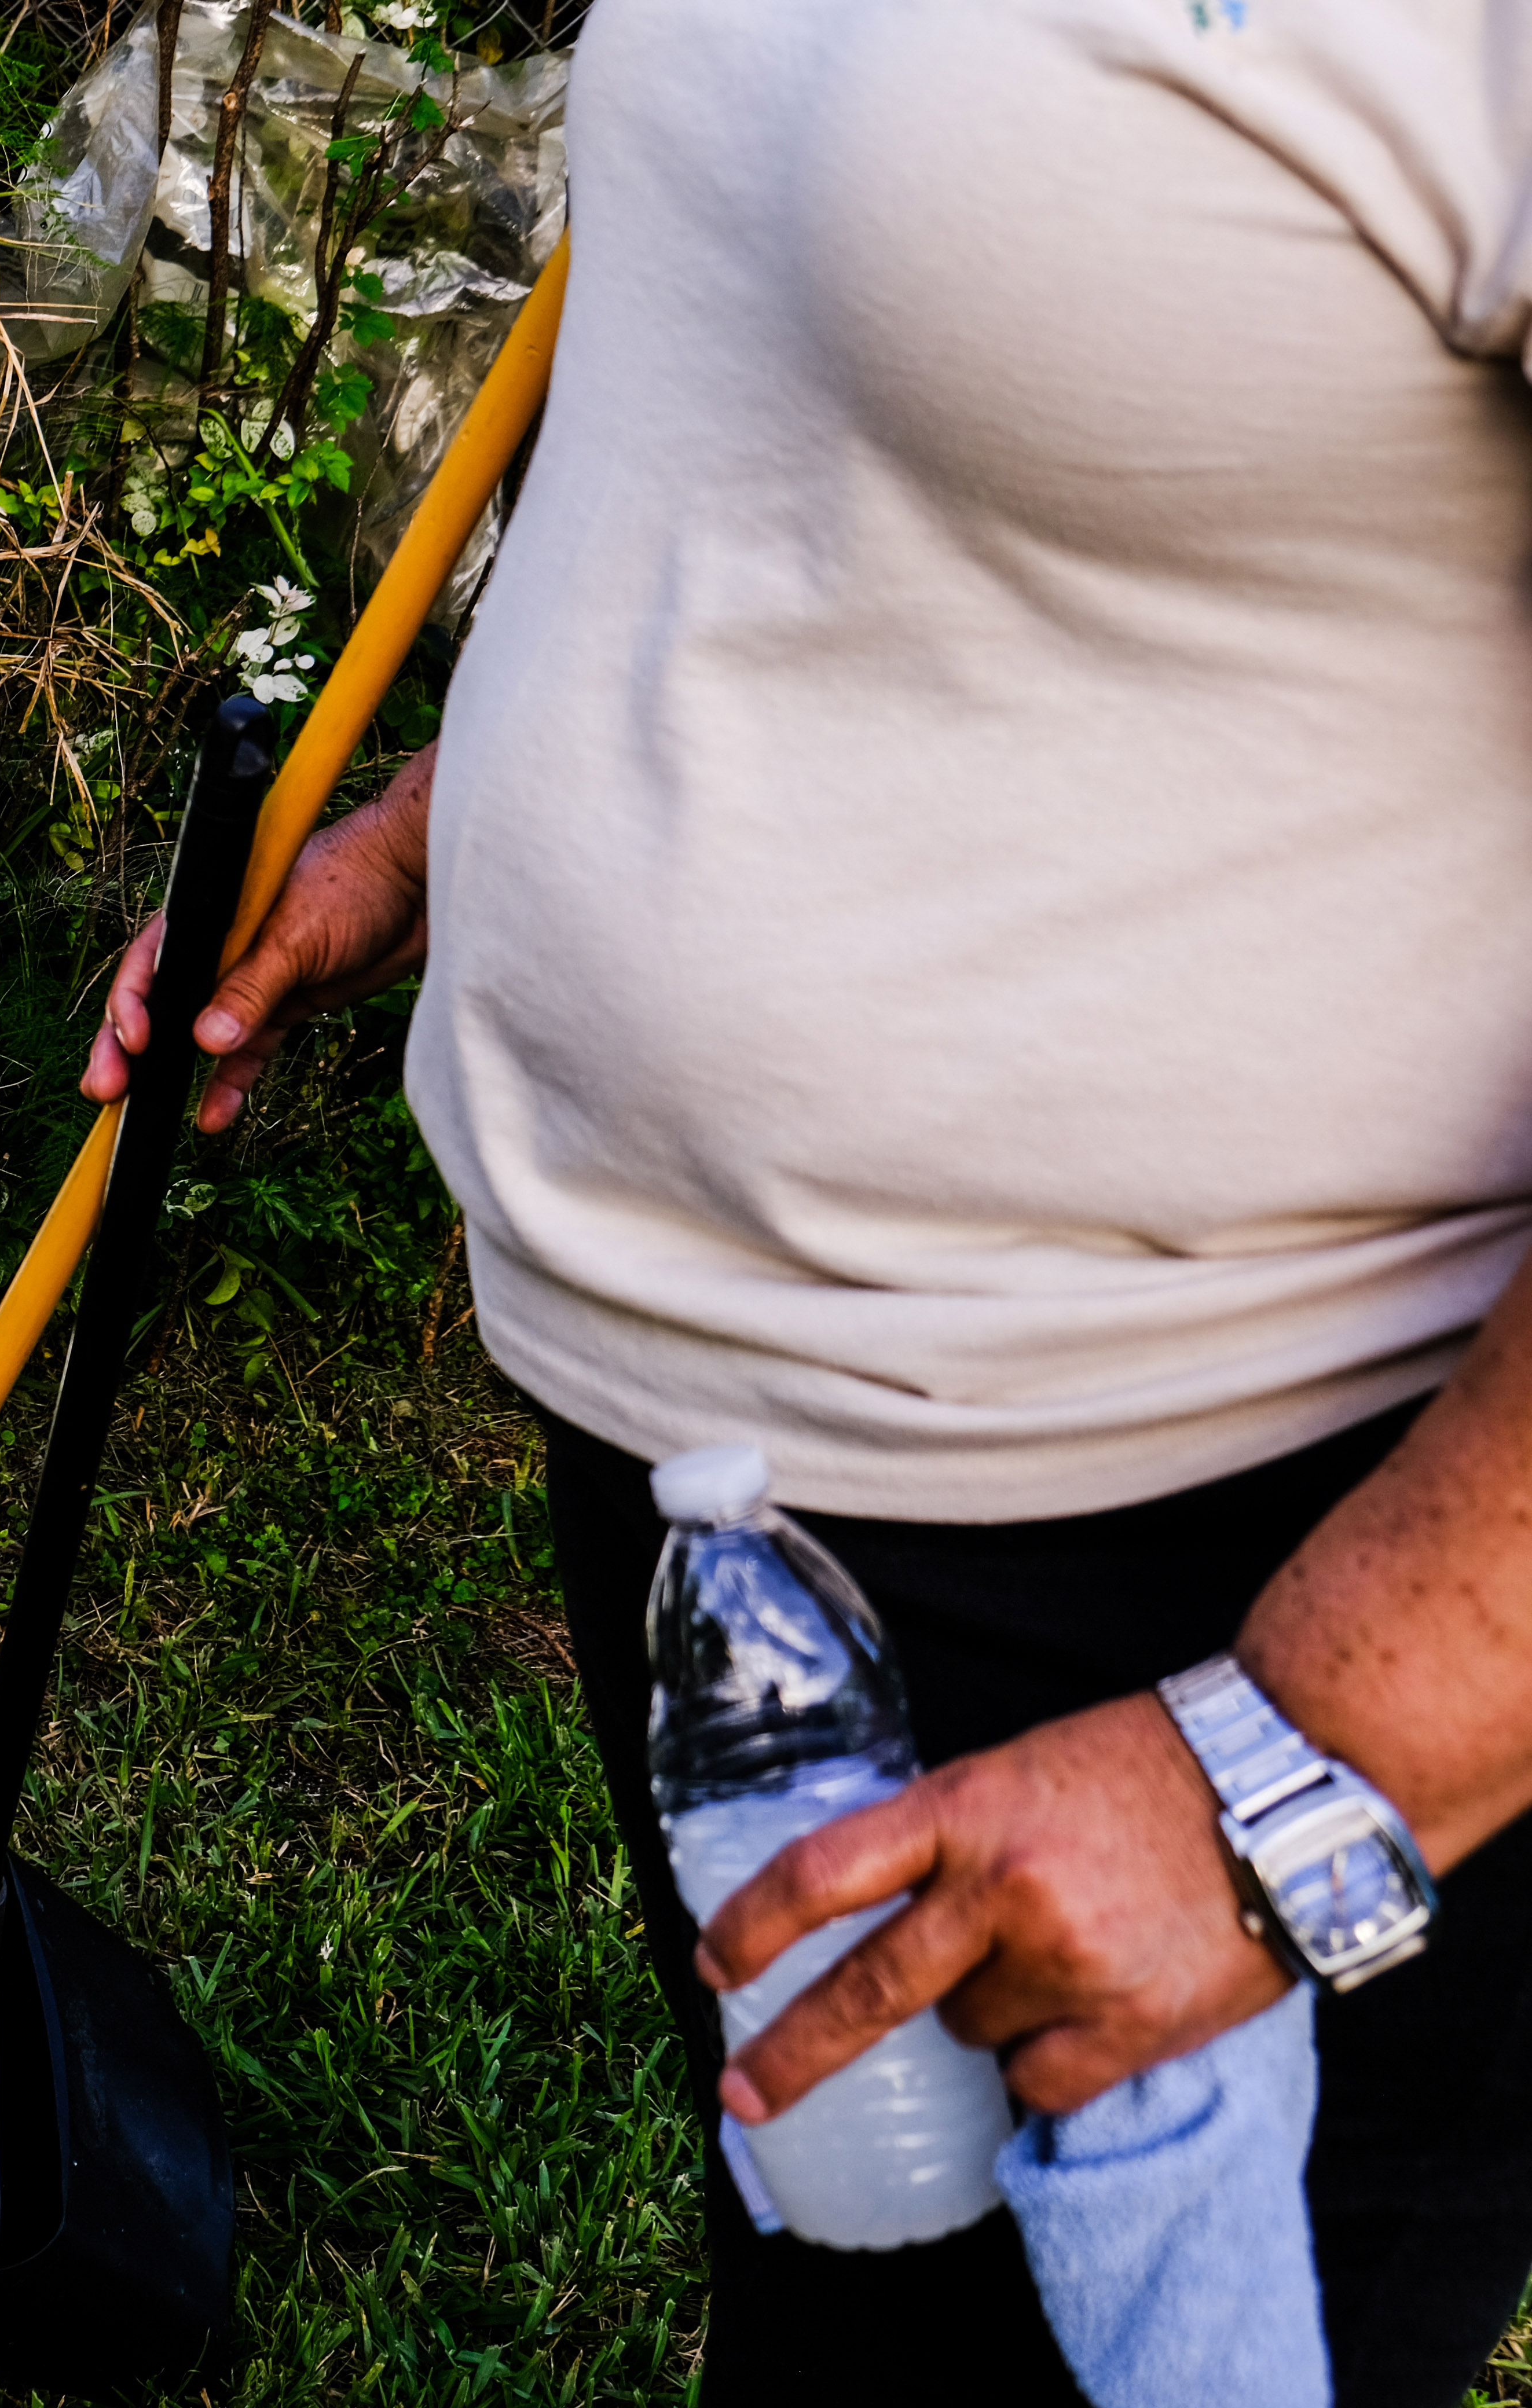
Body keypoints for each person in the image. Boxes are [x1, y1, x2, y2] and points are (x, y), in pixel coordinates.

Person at [88, 4, 1532, 2398]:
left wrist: (1310, 1756)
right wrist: (479, 818)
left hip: (1224, 1552)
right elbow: (857, 445)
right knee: (856, 2317)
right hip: (745, 1505)